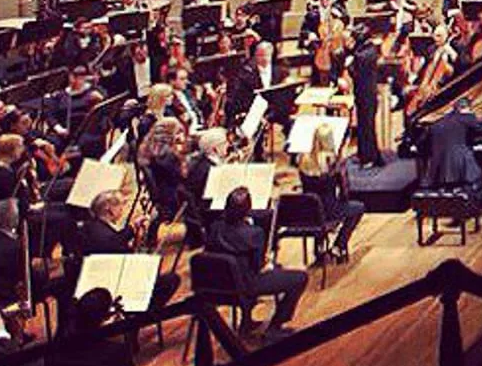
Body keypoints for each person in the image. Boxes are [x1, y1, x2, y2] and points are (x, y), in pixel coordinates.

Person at [205, 186, 307, 339]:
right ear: (248, 210)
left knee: (253, 271)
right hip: (245, 285)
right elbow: (259, 266)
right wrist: (268, 262)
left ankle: (246, 322)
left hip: (219, 288)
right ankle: (275, 326)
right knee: (300, 278)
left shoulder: (214, 228)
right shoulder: (254, 233)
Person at [80, 190, 180, 309]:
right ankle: (140, 315)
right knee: (171, 279)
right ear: (109, 210)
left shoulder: (89, 226)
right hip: (116, 287)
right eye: (120, 205)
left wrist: (133, 228)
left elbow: (116, 239)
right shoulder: (109, 239)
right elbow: (119, 248)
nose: (123, 209)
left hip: (96, 281)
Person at [298, 122, 365, 261]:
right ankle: (339, 245)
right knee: (358, 208)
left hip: (308, 212)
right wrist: (342, 167)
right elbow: (345, 194)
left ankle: (319, 248)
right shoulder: (333, 162)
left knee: (318, 204)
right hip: (329, 211)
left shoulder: (302, 160)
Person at [423, 96, 482, 201]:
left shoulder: (436, 123)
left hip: (437, 172)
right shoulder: (467, 118)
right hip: (461, 169)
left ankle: (447, 203)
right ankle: (475, 206)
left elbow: (422, 144)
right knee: (480, 174)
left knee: (473, 165)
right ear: (467, 108)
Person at [350, 30, 383, 168]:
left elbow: (355, 73)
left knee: (366, 128)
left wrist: (349, 65)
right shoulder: (370, 49)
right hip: (368, 94)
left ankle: (369, 158)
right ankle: (367, 155)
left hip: (365, 95)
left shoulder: (361, 55)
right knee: (366, 127)